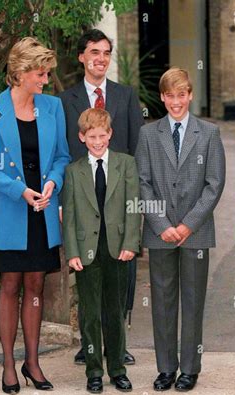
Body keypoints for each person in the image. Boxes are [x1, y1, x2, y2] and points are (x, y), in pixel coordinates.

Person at [0, 37, 70, 394]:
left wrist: (51, 185)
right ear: (20, 72)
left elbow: (61, 156)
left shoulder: (53, 107)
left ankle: (32, 362)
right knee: (10, 284)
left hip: (42, 211)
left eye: (46, 74)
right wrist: (20, 191)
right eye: (40, 74)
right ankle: (8, 365)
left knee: (36, 285)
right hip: (11, 209)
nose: (45, 80)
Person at [135, 67, 225, 392]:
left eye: (181, 94)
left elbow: (214, 185)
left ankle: (189, 368)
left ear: (190, 95)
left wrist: (188, 224)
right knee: (162, 300)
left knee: (192, 299)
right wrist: (162, 224)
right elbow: (142, 183)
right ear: (162, 97)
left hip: (195, 232)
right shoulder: (148, 135)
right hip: (160, 233)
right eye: (170, 95)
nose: (176, 101)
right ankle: (166, 368)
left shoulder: (209, 133)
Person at [59, 28, 144, 366]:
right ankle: (90, 344)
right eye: (94, 51)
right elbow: (64, 151)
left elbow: (138, 149)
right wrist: (66, 201)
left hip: (120, 199)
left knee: (122, 276)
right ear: (81, 56)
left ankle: (117, 343)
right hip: (84, 195)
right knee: (89, 273)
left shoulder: (126, 96)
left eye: (107, 52)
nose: (101, 58)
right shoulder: (66, 100)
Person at [63, 108, 141, 393]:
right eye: (92, 136)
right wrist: (72, 251)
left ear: (110, 134)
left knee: (115, 311)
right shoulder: (73, 171)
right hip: (86, 251)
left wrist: (131, 243)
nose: (98, 141)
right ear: (82, 137)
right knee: (90, 313)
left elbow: (134, 206)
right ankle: (94, 370)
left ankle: (118, 369)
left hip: (117, 248)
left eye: (102, 135)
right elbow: (69, 214)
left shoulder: (126, 164)